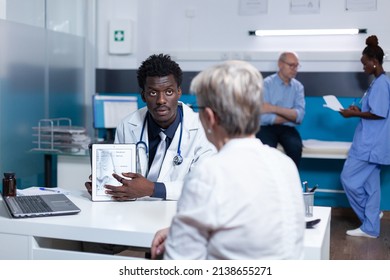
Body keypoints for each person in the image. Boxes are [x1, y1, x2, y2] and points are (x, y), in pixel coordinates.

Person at [151, 60, 305, 260]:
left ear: (209, 117)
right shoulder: (285, 164)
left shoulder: (209, 174)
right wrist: (178, 230)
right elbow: (249, 230)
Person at [83, 53, 215, 255]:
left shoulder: (202, 130)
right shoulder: (128, 125)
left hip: (177, 216)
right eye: (153, 93)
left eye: (169, 91)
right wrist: (105, 187)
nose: (161, 100)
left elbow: (203, 188)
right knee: (94, 243)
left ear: (179, 92)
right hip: (134, 214)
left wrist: (152, 189)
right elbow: (121, 177)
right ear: (143, 96)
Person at [340, 35, 390, 238]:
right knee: (371, 186)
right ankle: (370, 228)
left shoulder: (381, 84)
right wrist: (358, 109)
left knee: (348, 179)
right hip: (373, 142)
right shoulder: (379, 82)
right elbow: (375, 109)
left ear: (374, 62)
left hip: (370, 144)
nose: (363, 68)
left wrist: (354, 114)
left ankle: (370, 217)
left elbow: (379, 113)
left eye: (364, 64)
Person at [255, 51, 305, 167]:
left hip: (287, 129)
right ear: (280, 64)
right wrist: (290, 115)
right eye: (291, 65)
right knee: (266, 153)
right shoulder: (266, 84)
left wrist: (272, 108)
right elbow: (263, 118)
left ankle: (291, 183)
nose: (294, 69)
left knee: (295, 148)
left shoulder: (298, 87)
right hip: (266, 128)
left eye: (296, 65)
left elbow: (299, 116)